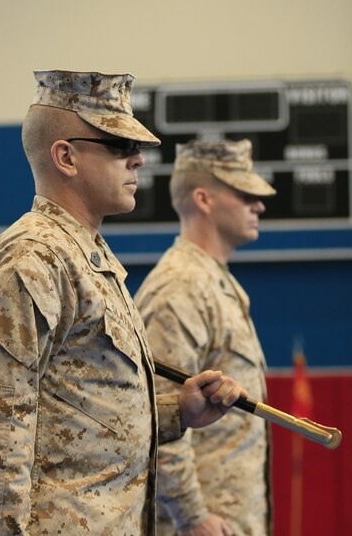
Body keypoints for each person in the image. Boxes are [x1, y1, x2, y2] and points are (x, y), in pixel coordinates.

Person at [0, 70, 247, 535]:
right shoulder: (34, 259)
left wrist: (176, 413)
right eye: (120, 147)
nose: (138, 161)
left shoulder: (88, 255)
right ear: (66, 156)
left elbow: (84, 411)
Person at [134, 139, 276, 536]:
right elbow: (156, 411)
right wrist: (191, 515)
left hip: (229, 519)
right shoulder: (180, 288)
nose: (259, 205)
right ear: (203, 199)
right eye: (245, 194)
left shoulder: (214, 283)